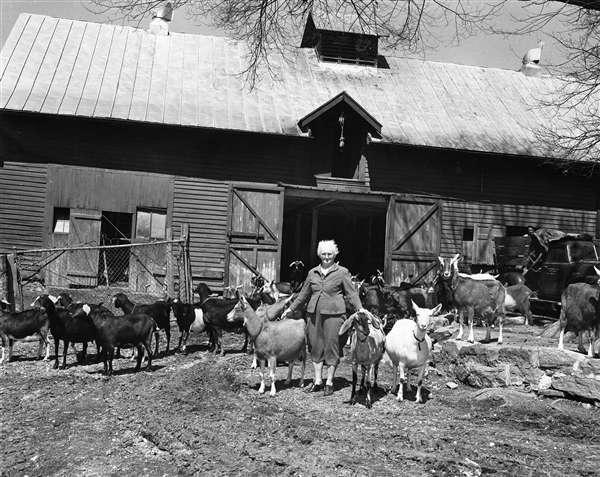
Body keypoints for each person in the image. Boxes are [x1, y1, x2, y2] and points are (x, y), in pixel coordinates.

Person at [281, 239, 365, 396]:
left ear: (335, 255)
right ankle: (318, 380)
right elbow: (303, 295)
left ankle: (330, 382)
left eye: (330, 254)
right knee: (315, 345)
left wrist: (360, 308)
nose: (327, 257)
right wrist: (290, 309)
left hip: (334, 315)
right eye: (324, 254)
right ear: (320, 255)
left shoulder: (342, 272)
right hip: (313, 315)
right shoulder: (312, 273)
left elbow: (351, 293)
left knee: (332, 346)